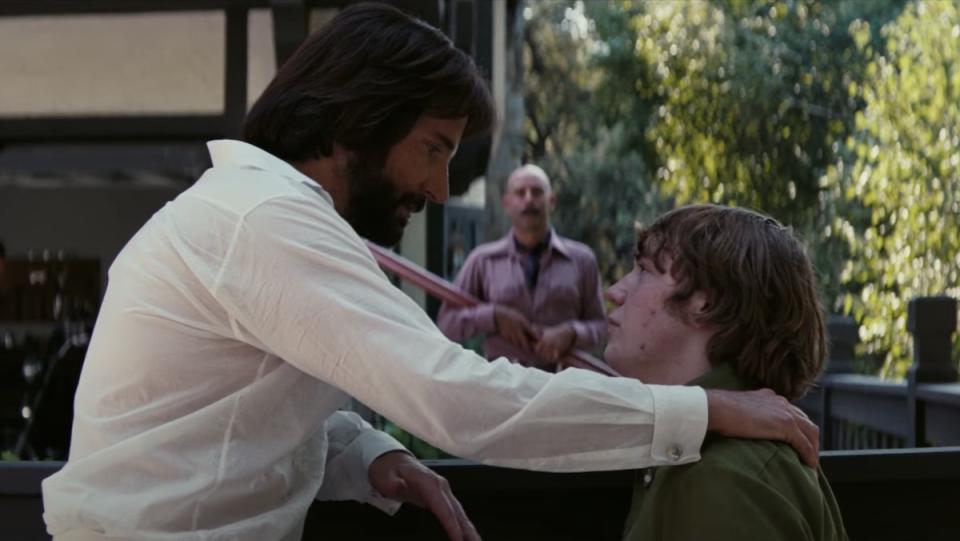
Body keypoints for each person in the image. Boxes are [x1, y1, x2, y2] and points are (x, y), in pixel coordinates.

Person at [42, 4, 818, 541]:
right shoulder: (267, 220)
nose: (443, 189)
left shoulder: (259, 212)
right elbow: (458, 395)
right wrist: (700, 410)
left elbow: (232, 397)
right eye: (436, 146)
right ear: (360, 120)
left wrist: (364, 454)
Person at [607, 205, 847, 541]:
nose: (615, 291)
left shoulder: (721, 477)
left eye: (644, 270)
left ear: (706, 300)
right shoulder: (701, 455)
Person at [437, 164, 606, 370]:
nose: (528, 199)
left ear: (551, 200)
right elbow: (447, 324)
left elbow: (602, 328)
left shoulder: (582, 260)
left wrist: (571, 332)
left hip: (563, 387)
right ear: (506, 203)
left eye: (537, 192)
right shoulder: (483, 260)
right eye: (520, 193)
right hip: (501, 387)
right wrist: (493, 316)